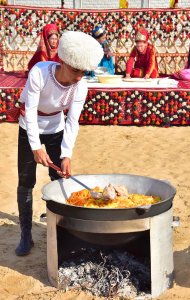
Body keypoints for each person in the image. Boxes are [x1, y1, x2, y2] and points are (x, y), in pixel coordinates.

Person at [15, 31, 104, 256]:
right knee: (26, 181)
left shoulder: (80, 86)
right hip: (29, 127)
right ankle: (26, 234)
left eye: (83, 72)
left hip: (56, 128)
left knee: (60, 178)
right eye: (75, 70)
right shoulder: (40, 73)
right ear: (62, 62)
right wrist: (35, 147)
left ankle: (64, 230)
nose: (78, 77)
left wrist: (66, 155)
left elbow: (72, 122)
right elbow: (31, 112)